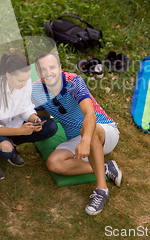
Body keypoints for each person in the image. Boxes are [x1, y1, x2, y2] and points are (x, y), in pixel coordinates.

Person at [31, 52, 122, 215]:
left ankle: (102, 190)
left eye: (52, 67)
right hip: (76, 139)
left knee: (87, 129)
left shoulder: (73, 81)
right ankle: (107, 167)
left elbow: (90, 115)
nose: (49, 72)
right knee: (54, 163)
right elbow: (43, 118)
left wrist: (86, 140)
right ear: (38, 74)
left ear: (60, 68)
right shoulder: (36, 91)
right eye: (43, 69)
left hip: (103, 130)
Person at [0, 53, 58, 180]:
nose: (25, 83)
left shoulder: (24, 80)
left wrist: (33, 118)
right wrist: (20, 131)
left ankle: (11, 144)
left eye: (27, 79)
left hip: (11, 123)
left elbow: (25, 106)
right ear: (8, 75)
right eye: (21, 80)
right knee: (6, 150)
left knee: (50, 127)